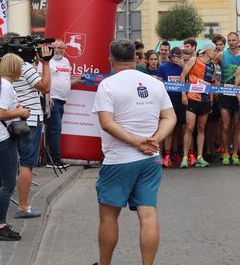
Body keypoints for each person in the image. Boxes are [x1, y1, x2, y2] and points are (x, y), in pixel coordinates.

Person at [92, 39, 176, 265]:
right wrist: (154, 141)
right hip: (150, 159)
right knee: (148, 215)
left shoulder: (107, 85)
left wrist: (137, 142)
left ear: (110, 58)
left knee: (108, 216)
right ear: (136, 58)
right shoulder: (155, 84)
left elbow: (107, 123)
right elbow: (170, 117)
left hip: (119, 159)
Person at [13, 41, 52, 219]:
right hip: (30, 120)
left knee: (11, 164)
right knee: (26, 164)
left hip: (12, 120)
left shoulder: (6, 66)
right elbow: (45, 87)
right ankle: (23, 206)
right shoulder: (24, 66)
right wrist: (45, 64)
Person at [0, 54, 31, 241]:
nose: (22, 70)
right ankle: (1, 225)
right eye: (21, 66)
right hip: (4, 139)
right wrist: (21, 112)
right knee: (8, 182)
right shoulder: (6, 86)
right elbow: (2, 112)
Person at [43, 40, 83, 168]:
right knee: (55, 130)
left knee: (53, 130)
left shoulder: (66, 61)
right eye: (55, 48)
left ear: (64, 49)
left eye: (60, 48)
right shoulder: (46, 61)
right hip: (52, 99)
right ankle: (55, 160)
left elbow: (65, 81)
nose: (57, 50)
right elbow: (41, 79)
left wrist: (77, 80)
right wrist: (46, 96)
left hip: (61, 100)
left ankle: (50, 160)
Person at [180, 43, 217, 168]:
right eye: (214, 51)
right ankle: (185, 157)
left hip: (205, 100)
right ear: (207, 51)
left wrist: (211, 101)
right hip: (192, 98)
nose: (215, 53)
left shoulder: (213, 66)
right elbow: (182, 76)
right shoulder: (194, 60)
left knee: (202, 128)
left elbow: (211, 84)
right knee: (189, 127)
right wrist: (183, 95)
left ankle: (200, 157)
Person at [219, 32, 240, 165]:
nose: (231, 42)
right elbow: (213, 68)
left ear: (238, 41)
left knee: (237, 126)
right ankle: (225, 152)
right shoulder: (221, 55)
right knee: (225, 125)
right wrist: (215, 82)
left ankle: (235, 153)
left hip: (239, 95)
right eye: (229, 40)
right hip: (225, 94)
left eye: (233, 40)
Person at [156, 47, 186, 167]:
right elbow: (158, 82)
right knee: (169, 129)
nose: (177, 59)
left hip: (181, 100)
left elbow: (190, 79)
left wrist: (184, 66)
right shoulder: (163, 67)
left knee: (181, 129)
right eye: (175, 56)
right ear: (171, 56)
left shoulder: (183, 66)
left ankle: (177, 152)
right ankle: (167, 154)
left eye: (179, 56)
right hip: (168, 101)